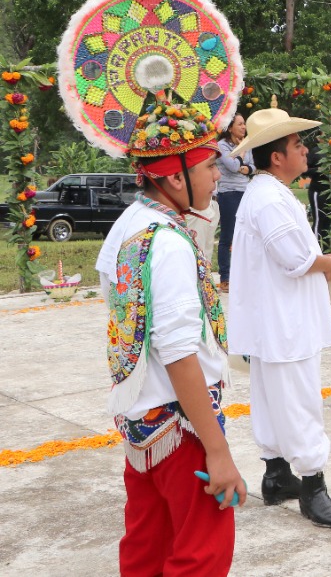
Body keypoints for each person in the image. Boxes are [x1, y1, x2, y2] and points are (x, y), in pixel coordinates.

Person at [97, 91, 246, 577]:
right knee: (201, 554)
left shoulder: (127, 226)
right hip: (181, 428)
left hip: (142, 425)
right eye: (207, 165)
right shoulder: (167, 242)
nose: (216, 174)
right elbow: (180, 353)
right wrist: (218, 452)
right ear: (173, 175)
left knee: (147, 548)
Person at [227, 107, 331, 529]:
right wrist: (329, 264)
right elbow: (294, 258)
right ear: (276, 157)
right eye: (298, 145)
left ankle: (277, 474)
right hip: (283, 322)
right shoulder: (268, 198)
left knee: (272, 397)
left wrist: (322, 262)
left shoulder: (267, 193)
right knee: (298, 400)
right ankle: (313, 485)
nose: (305, 150)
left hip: (274, 319)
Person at [215, 113, 254, 288]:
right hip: (228, 193)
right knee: (228, 235)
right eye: (240, 124)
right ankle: (225, 277)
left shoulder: (248, 143)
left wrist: (245, 168)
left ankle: (243, 275)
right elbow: (232, 167)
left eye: (244, 124)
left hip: (245, 191)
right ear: (230, 127)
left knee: (246, 234)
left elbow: (252, 167)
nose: (244, 127)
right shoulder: (221, 145)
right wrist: (242, 154)